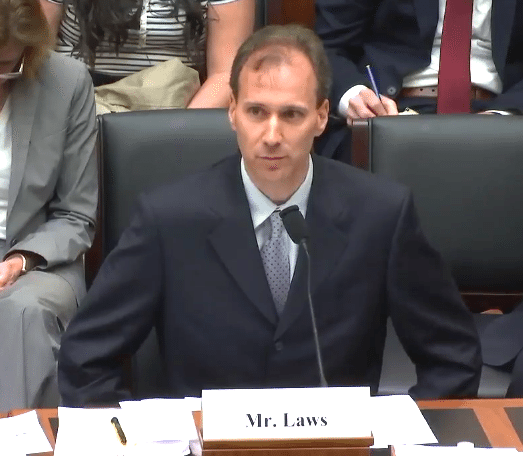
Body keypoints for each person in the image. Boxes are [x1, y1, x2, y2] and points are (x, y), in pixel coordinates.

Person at [58, 24, 481, 406]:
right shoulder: (168, 219)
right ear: (232, 112)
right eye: (256, 112)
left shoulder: (381, 215)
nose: (272, 135)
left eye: (291, 114)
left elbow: (452, 357)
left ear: (321, 117)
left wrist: (396, 439)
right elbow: (86, 360)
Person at [0, 0, 97, 410]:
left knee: (23, 311)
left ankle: (20, 438)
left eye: (6, 65)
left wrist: (19, 261)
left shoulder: (67, 82)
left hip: (38, 258)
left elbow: (76, 213)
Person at [314, 0, 523, 158]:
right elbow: (328, 47)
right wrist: (354, 95)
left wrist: (507, 113)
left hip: (500, 111)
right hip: (390, 108)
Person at [48, 0, 254, 108]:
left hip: (179, 101)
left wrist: (176, 132)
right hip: (78, 100)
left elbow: (226, 74)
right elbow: (37, 56)